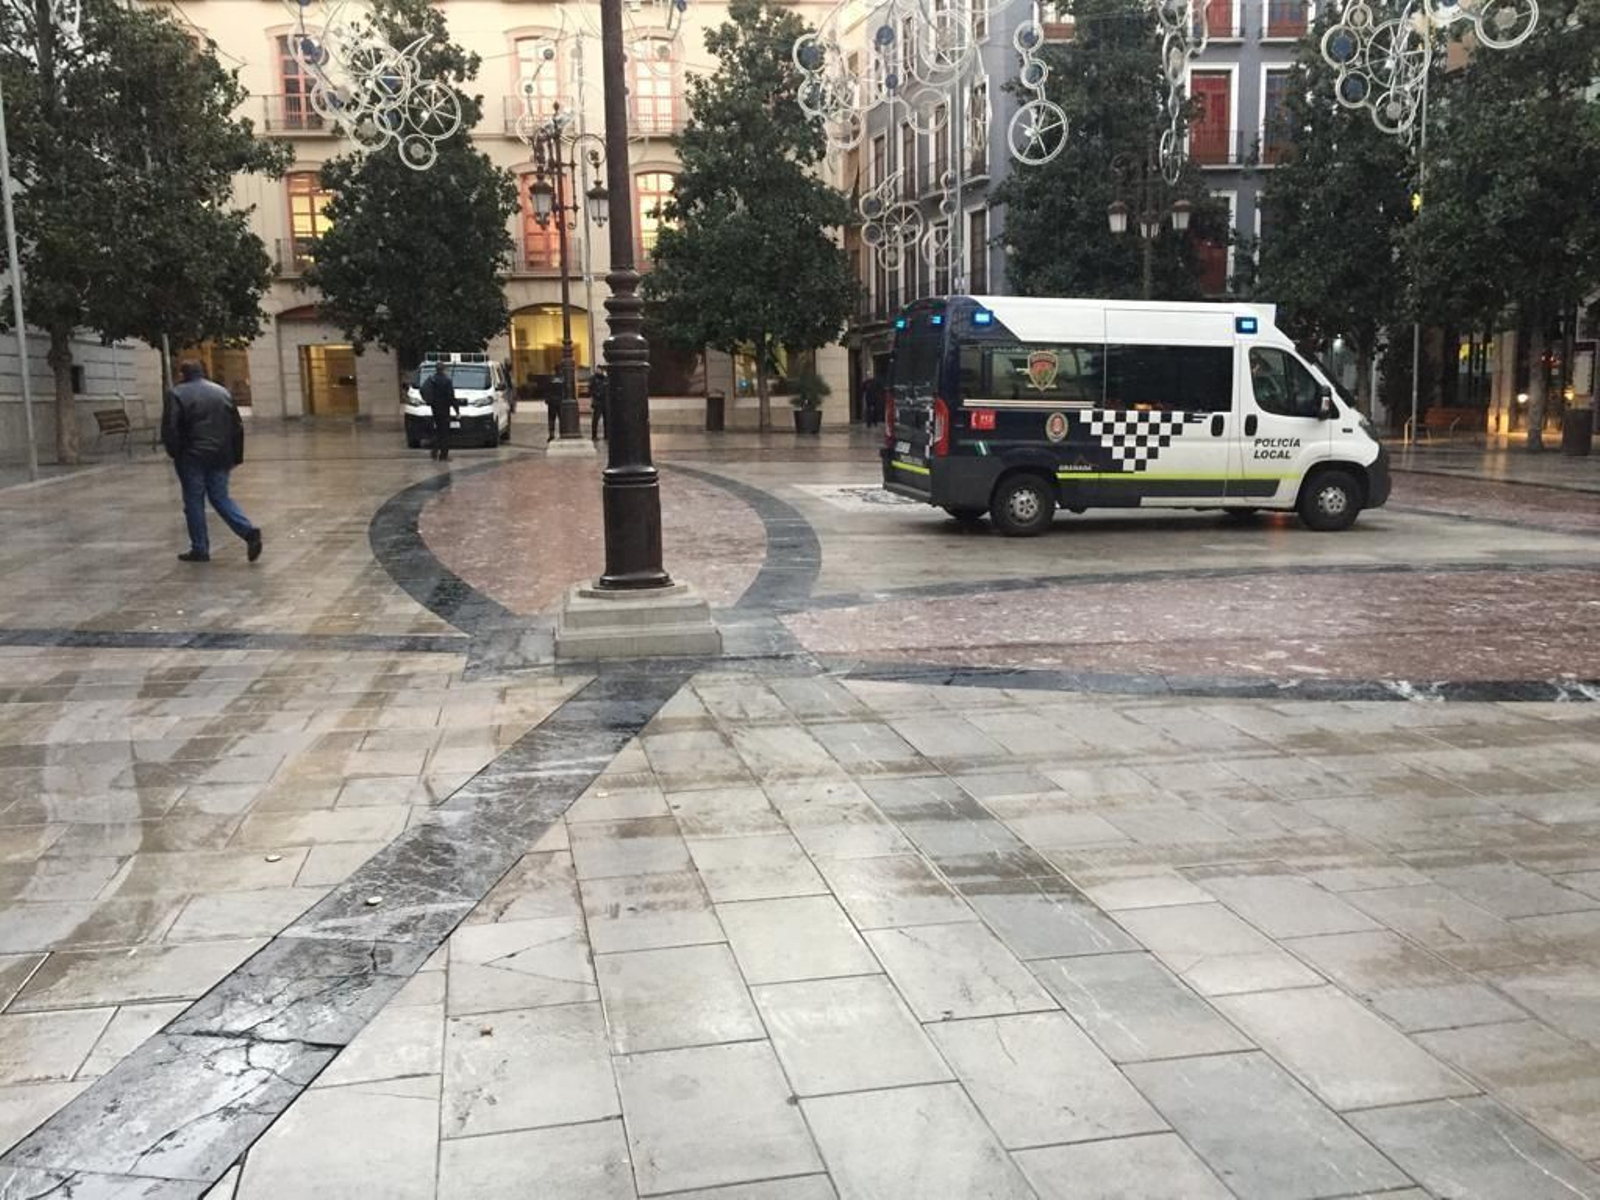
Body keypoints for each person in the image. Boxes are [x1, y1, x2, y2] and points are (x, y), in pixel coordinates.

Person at [162, 361, 261, 564]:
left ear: (183, 374)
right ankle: (248, 531)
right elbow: (237, 426)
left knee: (194, 501)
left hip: (192, 456)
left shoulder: (176, 394)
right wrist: (236, 455)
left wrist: (175, 452)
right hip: (221, 455)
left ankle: (200, 548)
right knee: (220, 497)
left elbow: (170, 427)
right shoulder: (221, 392)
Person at [420, 363, 458, 461]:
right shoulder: (447, 381)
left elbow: (423, 390)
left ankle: (435, 451)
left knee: (438, 431)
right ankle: (443, 455)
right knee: (444, 432)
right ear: (443, 369)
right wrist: (457, 410)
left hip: (435, 409)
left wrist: (430, 401)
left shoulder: (431, 379)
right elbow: (451, 397)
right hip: (444, 409)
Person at [543, 369, 564, 442]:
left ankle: (551, 435)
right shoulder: (563, 380)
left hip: (552, 402)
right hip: (560, 402)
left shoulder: (550, 379)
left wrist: (547, 400)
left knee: (551, 419)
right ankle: (562, 433)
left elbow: (546, 390)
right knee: (561, 419)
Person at [590, 367, 609, 442]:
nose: (598, 371)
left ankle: (606, 435)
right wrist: (597, 394)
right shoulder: (593, 379)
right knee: (595, 419)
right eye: (597, 370)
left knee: (606, 419)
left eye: (600, 370)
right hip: (598, 402)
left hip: (605, 402)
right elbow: (591, 389)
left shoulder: (606, 379)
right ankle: (594, 435)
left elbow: (608, 388)